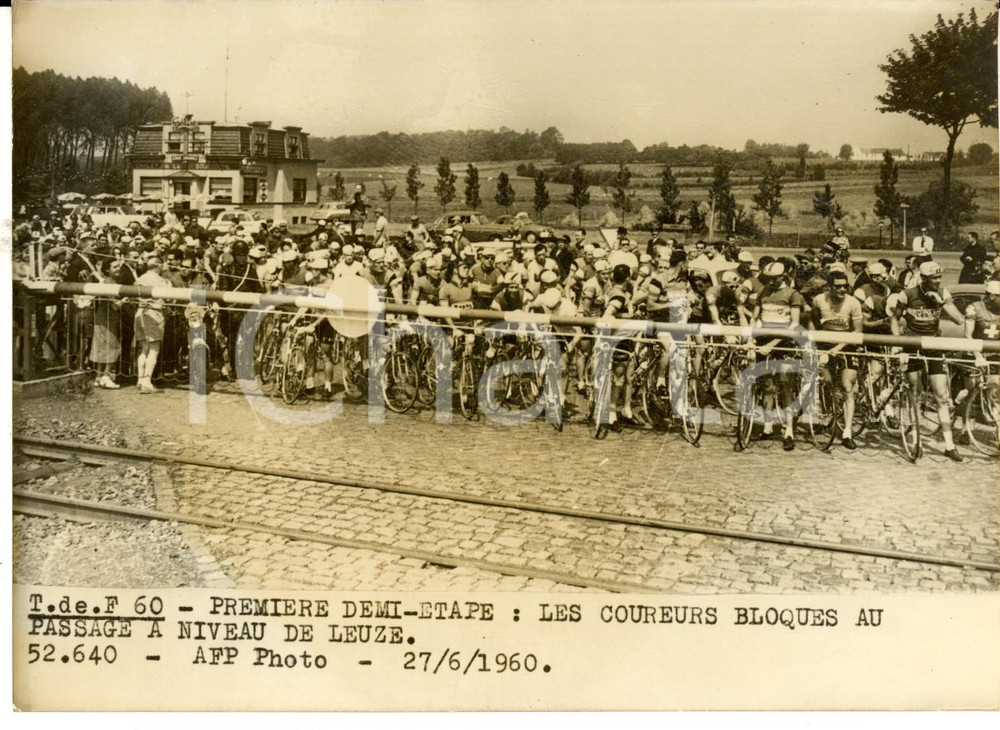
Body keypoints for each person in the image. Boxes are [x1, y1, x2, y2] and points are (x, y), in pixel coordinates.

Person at [887, 261, 965, 462]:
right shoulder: (908, 294)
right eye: (934, 278)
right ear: (923, 278)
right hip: (913, 344)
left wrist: (941, 302)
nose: (938, 281)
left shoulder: (942, 293)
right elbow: (894, 318)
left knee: (941, 395)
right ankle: (916, 440)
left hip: (933, 344)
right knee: (915, 393)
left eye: (939, 277)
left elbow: (959, 320)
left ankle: (949, 445)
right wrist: (897, 342)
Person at [810, 270, 864, 449]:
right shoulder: (819, 300)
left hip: (847, 346)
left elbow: (857, 331)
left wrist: (838, 347)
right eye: (838, 286)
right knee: (826, 383)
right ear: (830, 287)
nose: (842, 289)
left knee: (847, 387)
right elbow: (813, 322)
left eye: (845, 286)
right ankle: (827, 415)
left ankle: (847, 432)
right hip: (825, 347)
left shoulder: (853, 302)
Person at [133, 256, 171, 393]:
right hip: (153, 313)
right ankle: (147, 382)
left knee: (144, 348)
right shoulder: (160, 280)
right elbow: (168, 296)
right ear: (159, 266)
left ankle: (140, 379)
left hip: (139, 312)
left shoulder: (141, 278)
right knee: (154, 349)